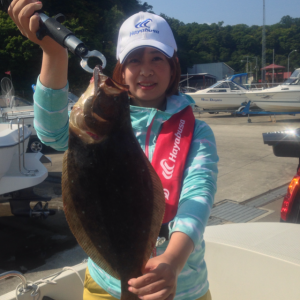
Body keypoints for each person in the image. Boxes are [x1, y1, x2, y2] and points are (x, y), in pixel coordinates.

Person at [9, 3, 218, 300]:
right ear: (121, 68)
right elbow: (51, 132)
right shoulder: (97, 128)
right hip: (106, 283)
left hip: (180, 285)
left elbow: (198, 196)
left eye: (157, 58)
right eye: (134, 60)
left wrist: (173, 260)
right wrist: (53, 53)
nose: (145, 70)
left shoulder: (197, 132)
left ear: (173, 67)